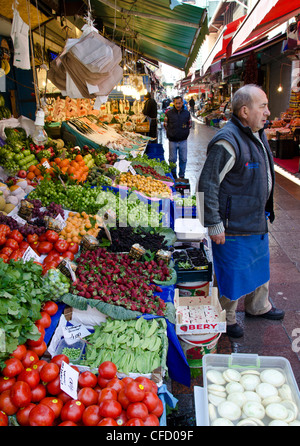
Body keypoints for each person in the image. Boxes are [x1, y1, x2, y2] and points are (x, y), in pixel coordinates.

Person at [197, 84, 284, 338]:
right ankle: (227, 317)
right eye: (263, 106)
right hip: (232, 224)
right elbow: (207, 183)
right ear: (244, 111)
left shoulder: (257, 133)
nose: (268, 112)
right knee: (232, 273)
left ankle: (259, 307)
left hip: (256, 218)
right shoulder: (227, 140)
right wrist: (213, 222)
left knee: (260, 266)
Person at [164, 96, 191, 179]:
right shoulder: (169, 113)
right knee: (172, 159)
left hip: (183, 140)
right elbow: (165, 125)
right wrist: (171, 133)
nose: (178, 105)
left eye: (179, 103)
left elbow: (189, 125)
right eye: (176, 103)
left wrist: (184, 132)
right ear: (174, 103)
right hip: (172, 140)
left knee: (183, 159)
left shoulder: (187, 113)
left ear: (182, 103)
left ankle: (182, 175)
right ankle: (173, 175)